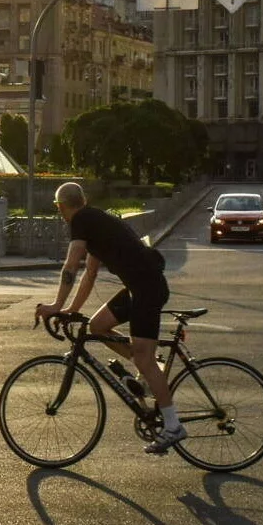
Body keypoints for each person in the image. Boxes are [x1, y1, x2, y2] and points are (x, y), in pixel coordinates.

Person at [35, 181, 183, 453]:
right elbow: (88, 274)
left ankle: (172, 425)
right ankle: (151, 369)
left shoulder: (80, 221)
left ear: (60, 207)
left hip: (146, 289)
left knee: (143, 357)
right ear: (84, 198)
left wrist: (56, 304)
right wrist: (71, 309)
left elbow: (71, 265)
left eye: (59, 209)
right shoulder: (95, 221)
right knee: (97, 325)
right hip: (140, 286)